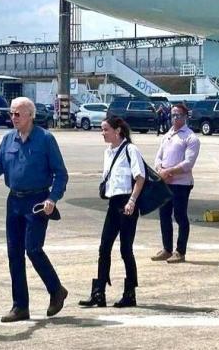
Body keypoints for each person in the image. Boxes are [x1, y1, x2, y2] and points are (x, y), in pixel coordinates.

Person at [0, 97, 69, 323]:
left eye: (17, 114)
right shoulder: (8, 139)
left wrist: (53, 198)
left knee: (33, 249)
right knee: (14, 254)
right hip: (14, 202)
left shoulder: (45, 139)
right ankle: (20, 306)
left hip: (38, 202)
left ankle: (56, 290)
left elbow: (61, 174)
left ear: (30, 115)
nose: (13, 117)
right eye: (11, 113)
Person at [80, 117, 145, 309]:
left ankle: (130, 293)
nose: (102, 133)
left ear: (118, 131)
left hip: (127, 203)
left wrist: (132, 201)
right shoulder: (108, 152)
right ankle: (99, 293)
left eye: (105, 129)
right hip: (113, 203)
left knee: (126, 249)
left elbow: (140, 178)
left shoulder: (130, 150)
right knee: (104, 247)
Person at [151, 104, 200, 263]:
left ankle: (180, 251)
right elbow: (158, 157)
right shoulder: (167, 135)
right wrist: (160, 170)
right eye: (173, 115)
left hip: (181, 183)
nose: (175, 118)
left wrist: (169, 172)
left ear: (185, 116)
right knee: (164, 215)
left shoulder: (190, 137)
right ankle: (167, 248)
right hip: (165, 181)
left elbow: (188, 163)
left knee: (180, 216)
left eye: (178, 115)